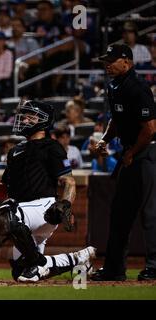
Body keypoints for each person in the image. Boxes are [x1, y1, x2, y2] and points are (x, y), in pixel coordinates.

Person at [0, 100, 96, 282]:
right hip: (22, 214)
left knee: (6, 214)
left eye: (31, 115)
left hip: (43, 209)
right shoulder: (15, 151)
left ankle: (37, 262)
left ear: (43, 121)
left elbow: (68, 180)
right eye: (24, 115)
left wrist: (66, 204)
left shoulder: (52, 146)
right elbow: (6, 189)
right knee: (20, 270)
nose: (24, 119)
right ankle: (77, 259)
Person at [91, 44, 156, 281]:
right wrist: (104, 139)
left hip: (148, 152)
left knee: (150, 212)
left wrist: (132, 152)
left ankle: (154, 266)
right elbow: (116, 120)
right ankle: (114, 269)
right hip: (132, 152)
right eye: (106, 60)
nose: (107, 64)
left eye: (112, 60)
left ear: (126, 62)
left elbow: (150, 129)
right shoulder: (114, 86)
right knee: (120, 213)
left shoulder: (138, 87)